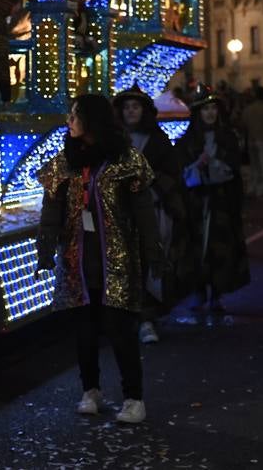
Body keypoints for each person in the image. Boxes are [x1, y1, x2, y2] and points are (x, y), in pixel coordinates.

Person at [36, 93, 162, 425]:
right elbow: (51, 210)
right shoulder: (64, 162)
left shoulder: (126, 161)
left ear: (92, 120)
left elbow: (144, 211)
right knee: (85, 331)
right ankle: (90, 391)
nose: (69, 122)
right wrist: (45, 249)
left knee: (120, 330)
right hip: (77, 263)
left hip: (116, 264)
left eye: (75, 116)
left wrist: (153, 250)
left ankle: (134, 398)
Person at [114, 86, 192, 345]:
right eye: (127, 107)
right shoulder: (114, 141)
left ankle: (147, 319)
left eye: (135, 107)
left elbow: (171, 173)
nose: (131, 111)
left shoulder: (158, 140)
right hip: (121, 214)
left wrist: (152, 185)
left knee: (148, 263)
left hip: (153, 211)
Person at [174, 85, 249, 316]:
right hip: (195, 202)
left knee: (219, 248)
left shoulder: (227, 138)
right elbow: (180, 170)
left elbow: (234, 168)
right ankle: (199, 291)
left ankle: (217, 293)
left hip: (221, 202)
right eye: (206, 109)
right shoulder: (188, 141)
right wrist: (197, 166)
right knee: (196, 248)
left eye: (213, 109)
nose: (210, 113)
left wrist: (216, 165)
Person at [239, 85, 263, 198]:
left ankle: (251, 188)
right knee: (262, 167)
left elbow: (242, 126)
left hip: (251, 140)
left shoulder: (248, 109)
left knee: (253, 166)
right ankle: (260, 190)